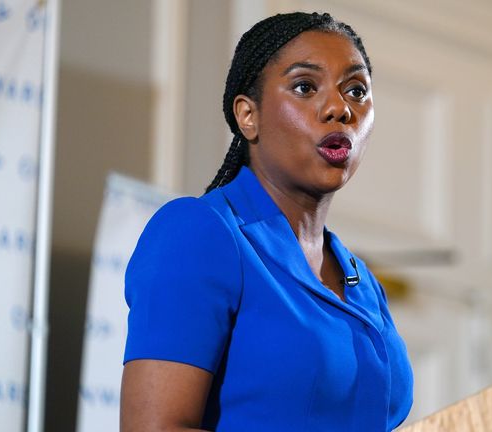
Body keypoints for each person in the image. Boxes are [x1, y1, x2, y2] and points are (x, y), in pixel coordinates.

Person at [120, 12, 413, 431]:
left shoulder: (362, 281)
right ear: (247, 116)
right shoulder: (199, 233)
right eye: (305, 87)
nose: (339, 109)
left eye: (356, 90)